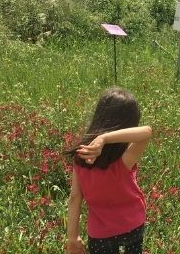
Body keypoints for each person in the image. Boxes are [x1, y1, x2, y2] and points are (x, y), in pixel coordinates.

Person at [65, 88, 152, 254]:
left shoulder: (82, 157)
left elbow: (75, 198)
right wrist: (105, 138)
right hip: (132, 225)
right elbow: (147, 132)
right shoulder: (124, 160)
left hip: (100, 234)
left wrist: (72, 238)